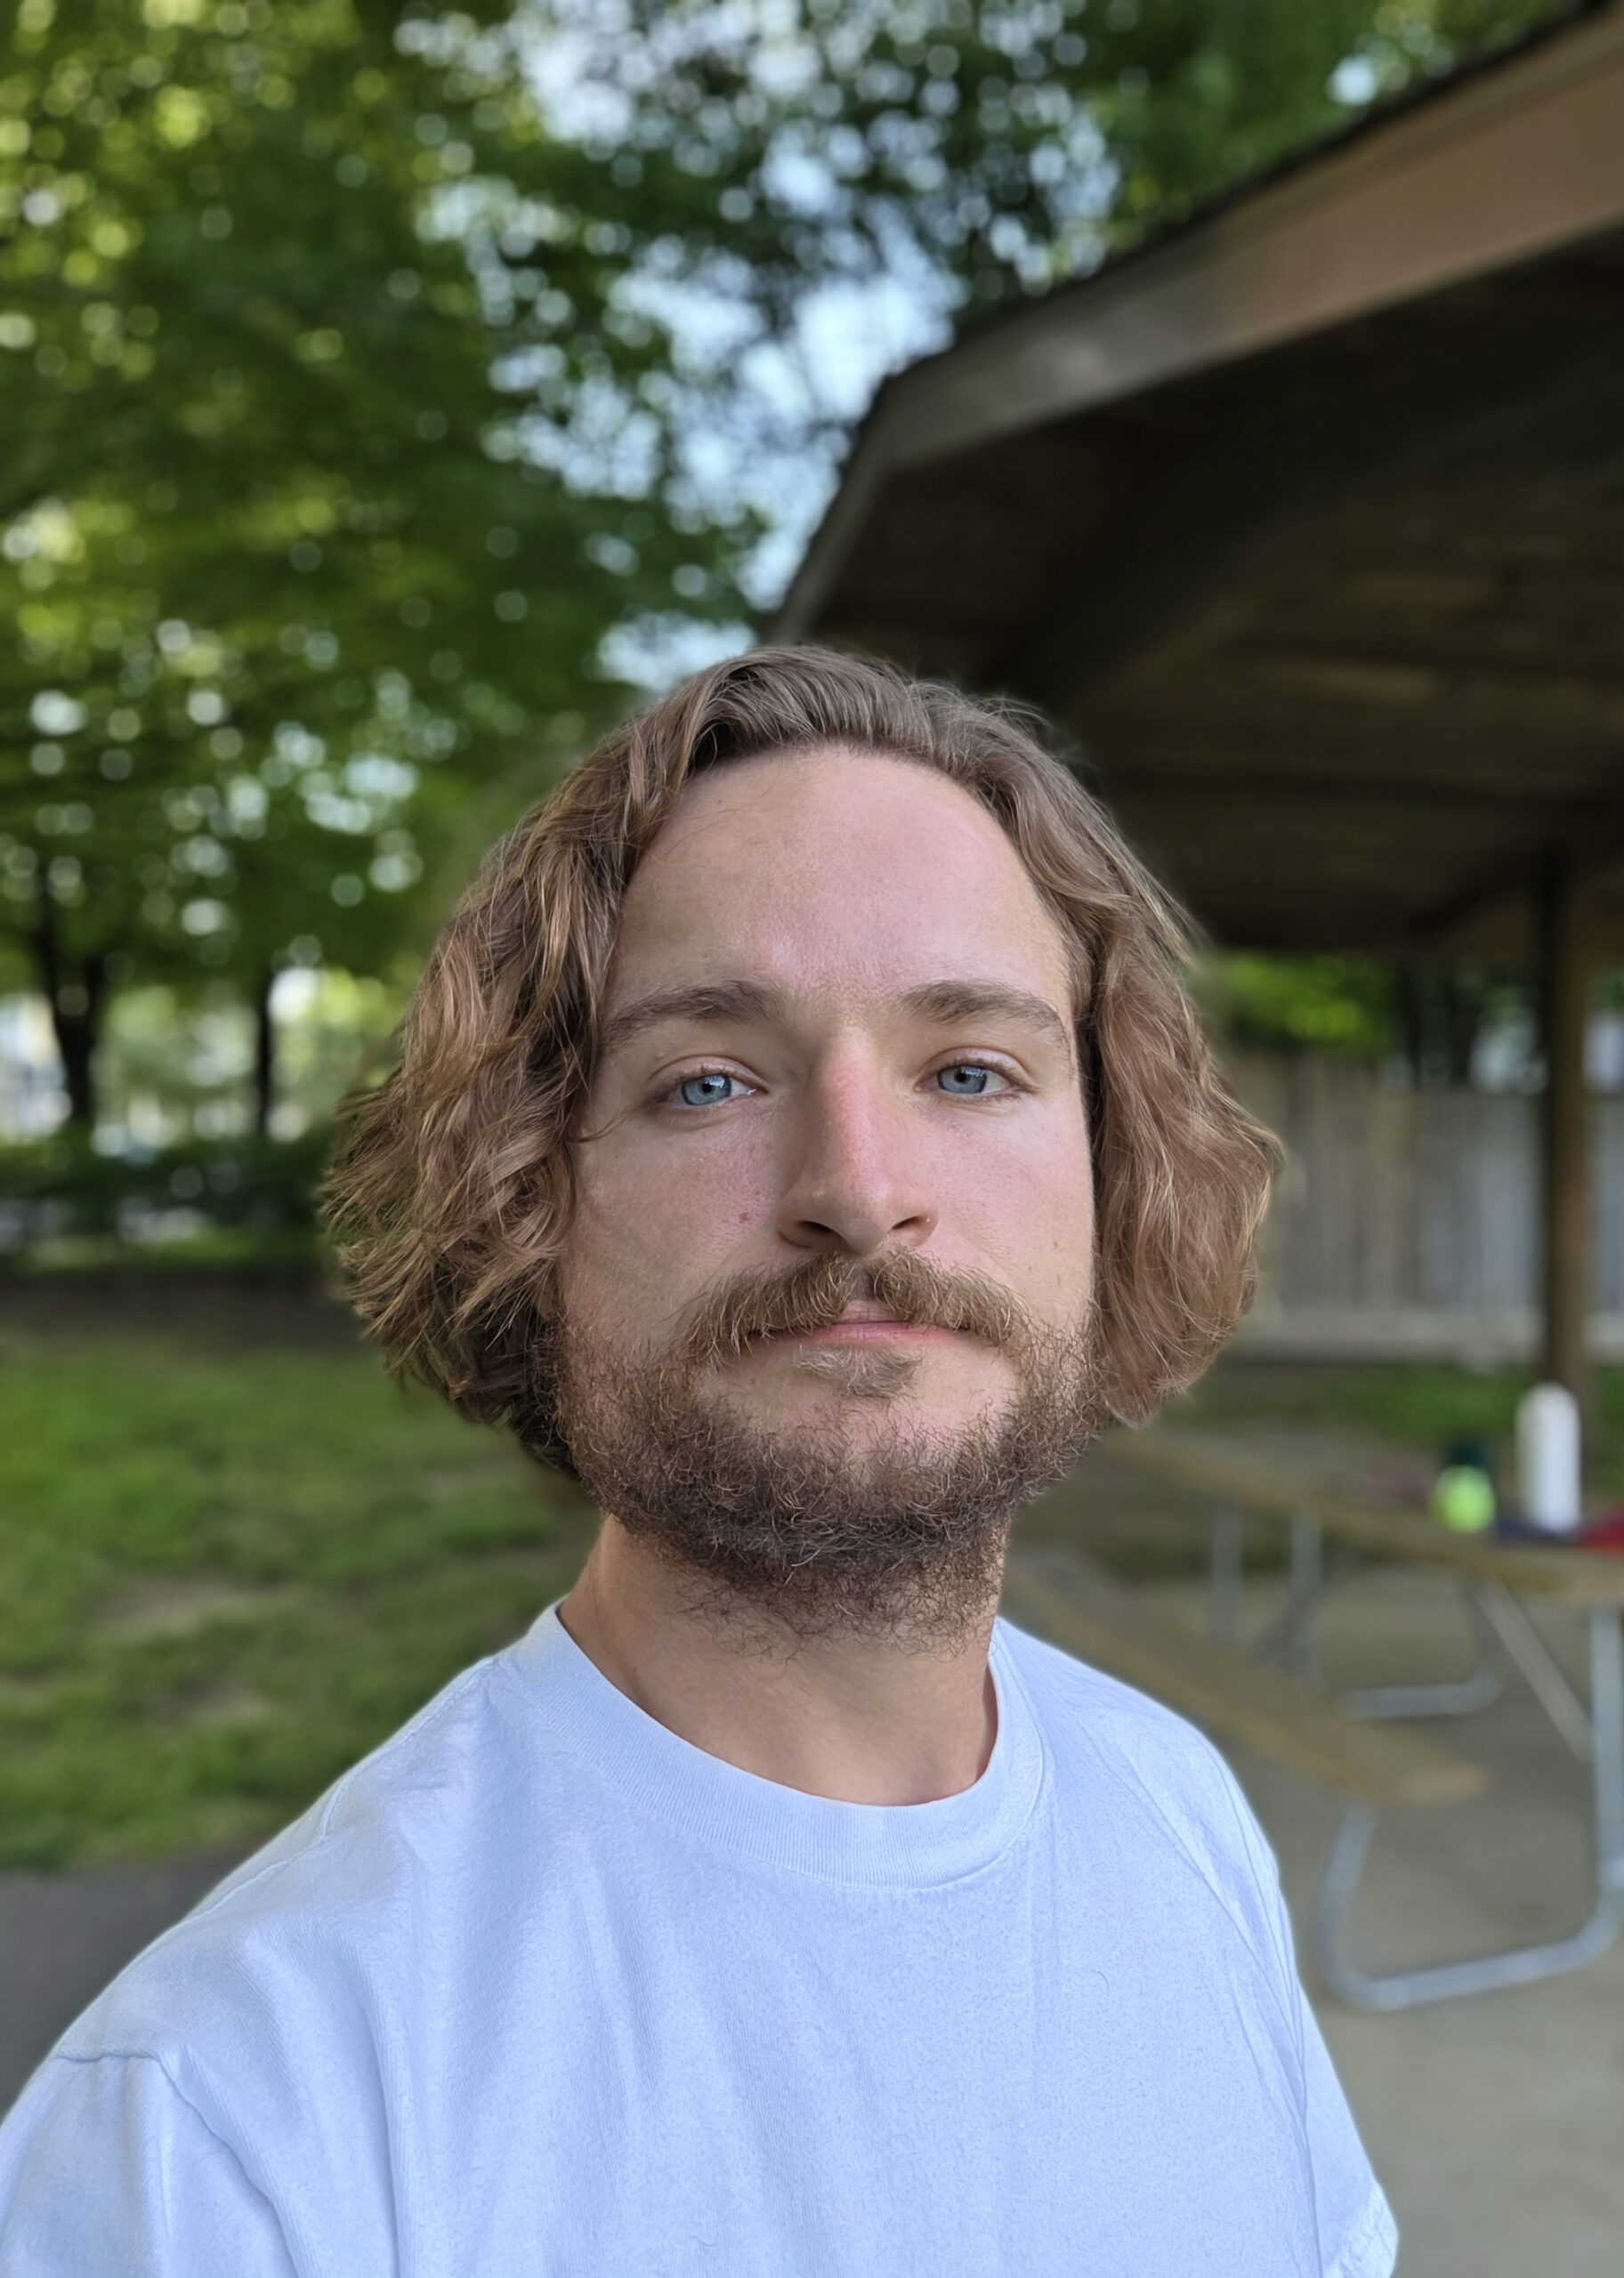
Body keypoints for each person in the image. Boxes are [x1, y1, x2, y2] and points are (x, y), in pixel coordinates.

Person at [0, 645, 1397, 2276]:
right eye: (708, 1081)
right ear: (530, 1200)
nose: (858, 1189)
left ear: (1110, 1171)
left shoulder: (1181, 1814)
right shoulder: (224, 2129)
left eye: (969, 1070)